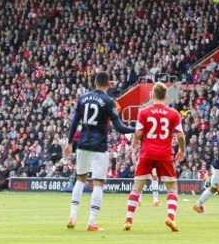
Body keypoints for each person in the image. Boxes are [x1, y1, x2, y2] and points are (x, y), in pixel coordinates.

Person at [65, 71, 135, 232]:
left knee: (80, 179)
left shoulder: (83, 98)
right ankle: (92, 222)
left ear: (95, 82)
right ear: (108, 84)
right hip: (99, 145)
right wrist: (137, 129)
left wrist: (69, 143)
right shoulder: (109, 101)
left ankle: (72, 216)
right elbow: (119, 128)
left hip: (82, 144)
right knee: (98, 183)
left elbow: (75, 122)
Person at [123, 82, 185, 232]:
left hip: (147, 153)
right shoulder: (173, 114)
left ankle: (128, 220)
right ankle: (170, 217)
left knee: (137, 188)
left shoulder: (144, 112)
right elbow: (180, 135)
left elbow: (138, 133)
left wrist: (134, 143)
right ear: (166, 95)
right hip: (164, 153)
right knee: (172, 188)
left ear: (153, 94)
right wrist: (182, 150)